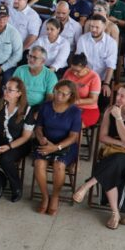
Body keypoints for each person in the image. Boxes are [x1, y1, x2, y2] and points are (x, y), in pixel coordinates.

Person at [73, 84, 125, 229]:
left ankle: (87, 185)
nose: (117, 98)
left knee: (115, 162)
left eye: (122, 96)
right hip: (111, 150)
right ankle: (115, 213)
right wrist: (120, 143)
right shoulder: (109, 110)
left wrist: (118, 118)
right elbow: (102, 137)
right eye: (117, 94)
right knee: (113, 164)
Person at [33, 80, 83, 215]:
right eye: (57, 92)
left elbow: (73, 136)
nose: (59, 96)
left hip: (65, 145)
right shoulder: (46, 106)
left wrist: (56, 147)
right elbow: (38, 127)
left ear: (70, 96)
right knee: (39, 163)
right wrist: (41, 138)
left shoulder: (75, 111)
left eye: (63, 94)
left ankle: (55, 196)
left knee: (59, 165)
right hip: (46, 142)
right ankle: (44, 196)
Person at [0, 77, 35, 202]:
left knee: (5, 159)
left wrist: (9, 146)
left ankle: (16, 186)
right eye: (5, 88)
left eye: (10, 90)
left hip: (19, 143)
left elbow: (26, 136)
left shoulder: (27, 110)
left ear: (19, 93)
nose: (5, 92)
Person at [76, 15, 117, 102]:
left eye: (97, 27)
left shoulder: (111, 43)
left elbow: (111, 65)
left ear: (104, 27)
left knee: (105, 98)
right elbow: (79, 61)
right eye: (91, 26)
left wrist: (106, 83)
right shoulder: (82, 39)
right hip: (85, 76)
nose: (93, 30)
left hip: (102, 78)